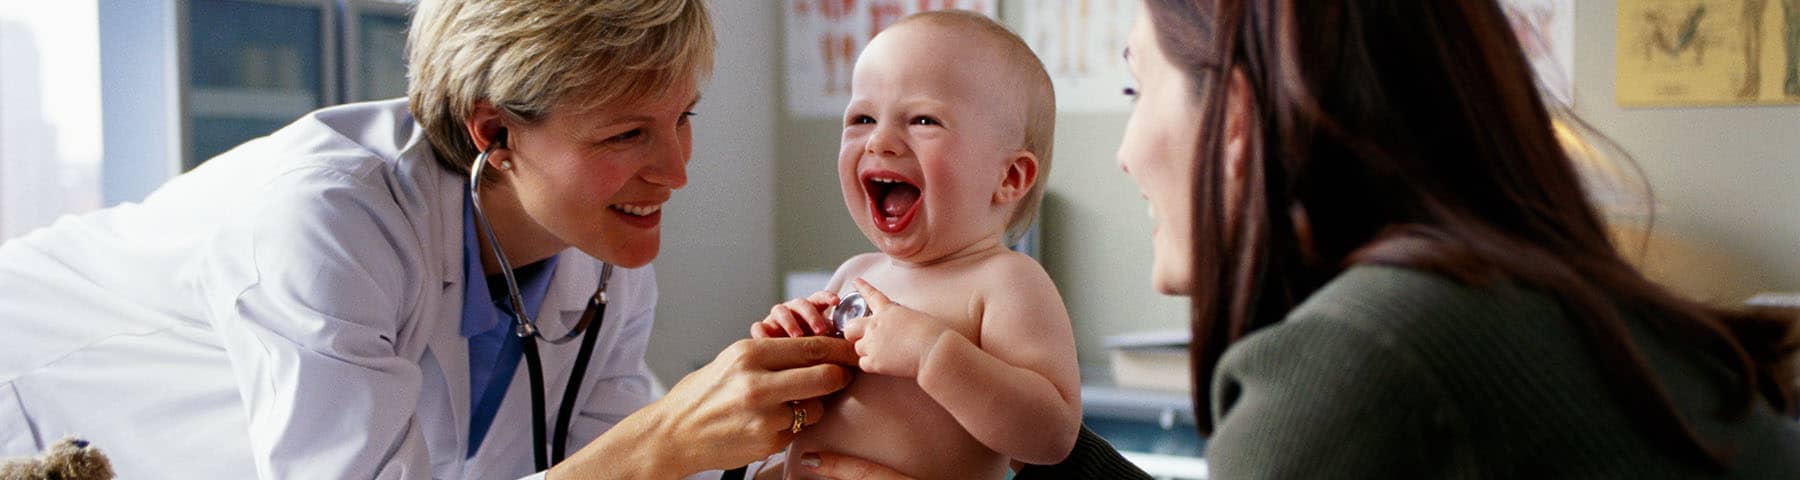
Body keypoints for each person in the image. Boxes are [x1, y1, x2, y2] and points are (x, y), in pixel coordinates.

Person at [807, 0, 1800, 479]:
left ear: (1234, 125)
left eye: (1133, 90)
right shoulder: (1540, 309)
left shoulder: (1365, 354)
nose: (1121, 155)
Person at [0, 1, 860, 478]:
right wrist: (667, 438)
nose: (676, 170)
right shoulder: (328, 221)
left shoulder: (600, 251)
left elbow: (584, 458)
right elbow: (627, 460)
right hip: (30, 410)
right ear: (494, 134)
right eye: (627, 136)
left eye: (684, 119)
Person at [747, 11, 1081, 480]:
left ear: (1008, 177)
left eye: (924, 119)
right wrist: (791, 349)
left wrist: (933, 354)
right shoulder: (854, 274)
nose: (880, 140)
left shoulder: (1006, 282)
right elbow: (806, 408)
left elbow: (1052, 434)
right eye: (862, 118)